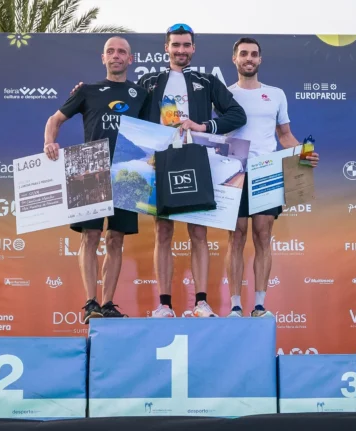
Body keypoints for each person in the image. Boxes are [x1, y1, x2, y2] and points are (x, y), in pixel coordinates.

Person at [137, 23, 247, 318]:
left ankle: (201, 303)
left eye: (186, 45)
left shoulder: (206, 81)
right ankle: (164, 305)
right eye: (176, 45)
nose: (181, 50)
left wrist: (203, 126)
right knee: (163, 231)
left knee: (198, 231)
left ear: (194, 48)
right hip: (161, 162)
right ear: (166, 48)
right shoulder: (149, 81)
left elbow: (237, 115)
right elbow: (126, 112)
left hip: (197, 160)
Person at [44, 36, 147, 323]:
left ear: (130, 59)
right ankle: (91, 303)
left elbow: (153, 131)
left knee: (116, 239)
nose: (116, 55)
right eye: (110, 51)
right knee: (90, 236)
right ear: (103, 58)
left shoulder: (141, 94)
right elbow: (54, 120)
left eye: (122, 52)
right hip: (89, 167)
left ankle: (108, 303)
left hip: (127, 171)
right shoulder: (86, 91)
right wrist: (49, 142)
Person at [224, 37, 319, 318]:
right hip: (234, 171)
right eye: (243, 54)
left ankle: (260, 305)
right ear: (235, 59)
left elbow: (285, 135)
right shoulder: (224, 94)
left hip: (266, 170)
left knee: (263, 236)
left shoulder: (276, 94)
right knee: (236, 237)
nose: (249, 58)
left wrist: (305, 154)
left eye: (253, 54)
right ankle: (235, 306)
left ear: (260, 60)